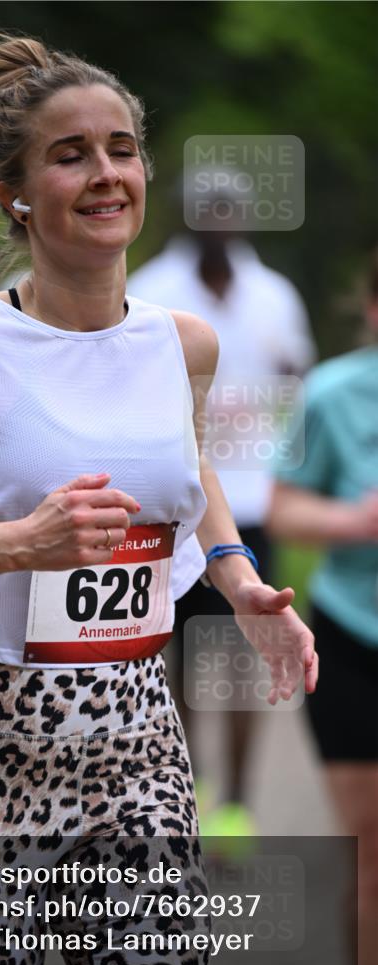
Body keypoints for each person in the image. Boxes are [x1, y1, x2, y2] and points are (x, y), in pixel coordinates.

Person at [0, 32, 318, 965]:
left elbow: (190, 464)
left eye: (122, 148)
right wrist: (22, 544)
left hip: (134, 739)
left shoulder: (183, 343)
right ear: (17, 192)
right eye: (70, 153)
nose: (106, 174)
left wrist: (236, 575)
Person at [127, 194, 316, 836]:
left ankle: (236, 802)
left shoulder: (274, 295)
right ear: (188, 218)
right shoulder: (152, 290)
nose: (218, 222)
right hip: (174, 503)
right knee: (173, 660)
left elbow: (299, 382)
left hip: (250, 499)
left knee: (241, 658)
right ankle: (189, 784)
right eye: (206, 211)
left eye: (228, 210)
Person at [266, 252, 378, 965]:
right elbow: (281, 509)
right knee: (373, 852)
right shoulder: (333, 392)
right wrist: (354, 519)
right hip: (350, 640)